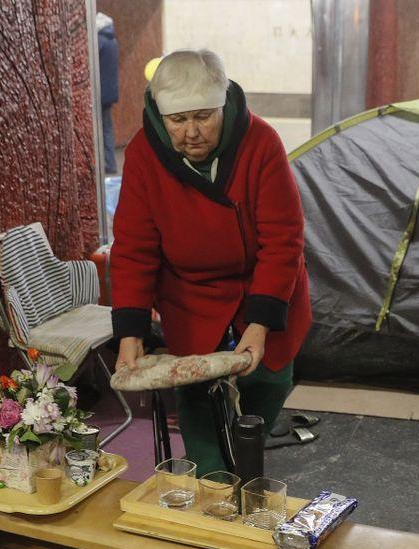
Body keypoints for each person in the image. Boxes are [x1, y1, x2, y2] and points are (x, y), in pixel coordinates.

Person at [110, 50, 311, 475]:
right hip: (190, 292)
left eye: (203, 116)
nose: (192, 133)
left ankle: (247, 464)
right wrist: (130, 331)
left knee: (271, 379)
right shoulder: (145, 153)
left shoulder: (262, 142)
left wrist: (259, 326)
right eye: (178, 120)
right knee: (196, 396)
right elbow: (133, 247)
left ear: (223, 106)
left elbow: (283, 241)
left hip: (263, 282)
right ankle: (212, 481)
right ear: (160, 116)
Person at [97, 12, 120, 174]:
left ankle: (106, 163)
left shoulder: (99, 41)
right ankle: (110, 162)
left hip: (100, 93)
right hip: (110, 92)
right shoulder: (113, 41)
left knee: (101, 129)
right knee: (107, 128)